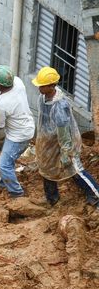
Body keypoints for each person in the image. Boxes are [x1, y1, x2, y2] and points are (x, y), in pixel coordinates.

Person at [31, 66, 99, 207]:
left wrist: (66, 151)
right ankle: (52, 199)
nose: (39, 88)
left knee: (75, 169)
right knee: (46, 168)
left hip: (64, 142)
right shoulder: (42, 98)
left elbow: (64, 133)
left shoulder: (60, 106)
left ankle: (95, 194)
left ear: (51, 86)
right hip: (48, 142)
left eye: (42, 86)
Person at [0, 65, 35, 198]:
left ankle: (16, 193)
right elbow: (4, 83)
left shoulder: (2, 103)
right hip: (27, 127)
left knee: (3, 165)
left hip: (18, 137)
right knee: (8, 159)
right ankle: (3, 183)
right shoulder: (18, 83)